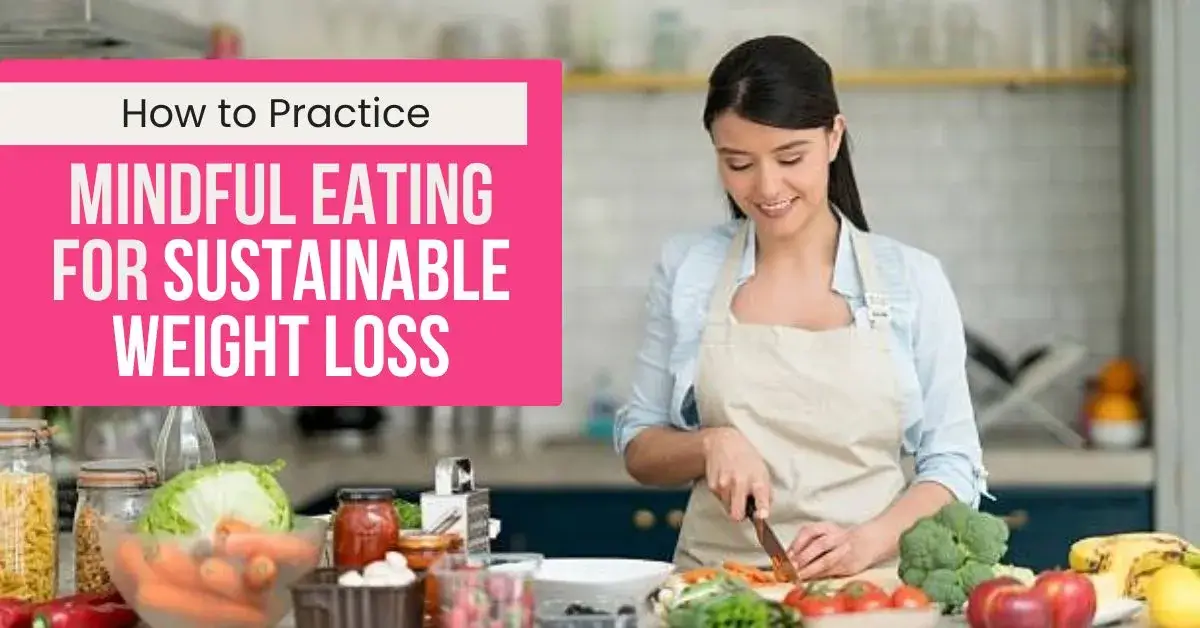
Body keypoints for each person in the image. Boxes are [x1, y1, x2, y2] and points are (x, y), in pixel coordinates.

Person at [614, 35, 988, 579]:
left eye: (791, 158)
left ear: (834, 136)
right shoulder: (688, 268)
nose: (767, 187)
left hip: (871, 594)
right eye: (738, 162)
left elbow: (954, 466)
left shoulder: (913, 280)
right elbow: (640, 447)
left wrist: (867, 543)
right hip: (717, 595)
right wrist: (709, 444)